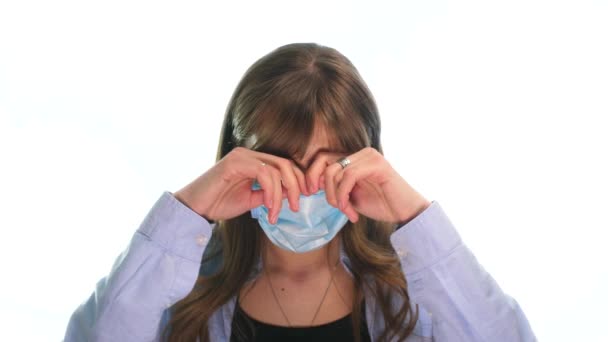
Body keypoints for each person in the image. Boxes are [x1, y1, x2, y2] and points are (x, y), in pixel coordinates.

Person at [63, 43, 536, 342]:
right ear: (239, 161)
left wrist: (412, 215)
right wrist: (189, 211)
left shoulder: (414, 301)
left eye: (329, 163)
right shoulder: (181, 297)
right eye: (281, 164)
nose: (305, 189)